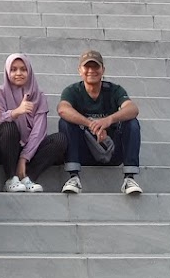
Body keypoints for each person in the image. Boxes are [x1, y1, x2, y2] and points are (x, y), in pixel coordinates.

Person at [57, 49, 142, 196]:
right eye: (87, 67)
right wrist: (91, 124)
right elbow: (62, 109)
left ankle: (129, 178)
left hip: (112, 149)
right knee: (65, 122)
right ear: (80, 70)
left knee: (132, 122)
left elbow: (132, 109)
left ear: (103, 70)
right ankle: (73, 177)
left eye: (95, 66)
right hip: (85, 151)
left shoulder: (114, 90)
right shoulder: (73, 91)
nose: (91, 70)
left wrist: (108, 120)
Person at [0, 53, 67, 192]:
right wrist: (16, 112)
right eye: (13, 69)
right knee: (8, 127)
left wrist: (24, 158)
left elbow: (39, 131)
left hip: (30, 149)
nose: (18, 73)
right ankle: (11, 177)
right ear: (7, 71)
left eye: (23, 69)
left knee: (60, 139)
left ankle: (27, 177)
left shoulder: (39, 96)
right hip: (7, 147)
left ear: (29, 71)